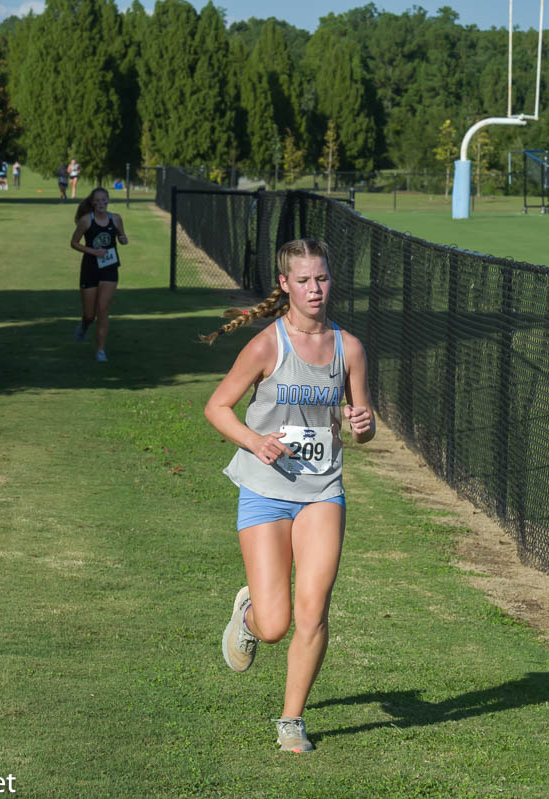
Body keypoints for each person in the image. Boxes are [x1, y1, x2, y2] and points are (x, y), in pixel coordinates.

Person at [201, 238, 375, 753]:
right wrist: (256, 441)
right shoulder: (266, 345)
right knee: (276, 625)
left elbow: (361, 425)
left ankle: (291, 719)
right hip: (265, 490)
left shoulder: (349, 348)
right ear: (285, 285)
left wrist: (363, 424)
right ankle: (250, 614)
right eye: (303, 281)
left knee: (314, 609)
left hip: (322, 490)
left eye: (321, 279)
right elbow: (217, 407)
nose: (314, 289)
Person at [69, 187, 127, 363]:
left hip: (110, 267)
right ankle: (85, 325)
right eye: (98, 200)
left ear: (108, 201)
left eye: (104, 200)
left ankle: (100, 351)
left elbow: (122, 235)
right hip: (90, 269)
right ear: (92, 203)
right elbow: (73, 243)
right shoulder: (86, 221)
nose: (101, 203)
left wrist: (123, 239)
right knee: (89, 314)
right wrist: (93, 251)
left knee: (103, 310)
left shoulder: (116, 218)